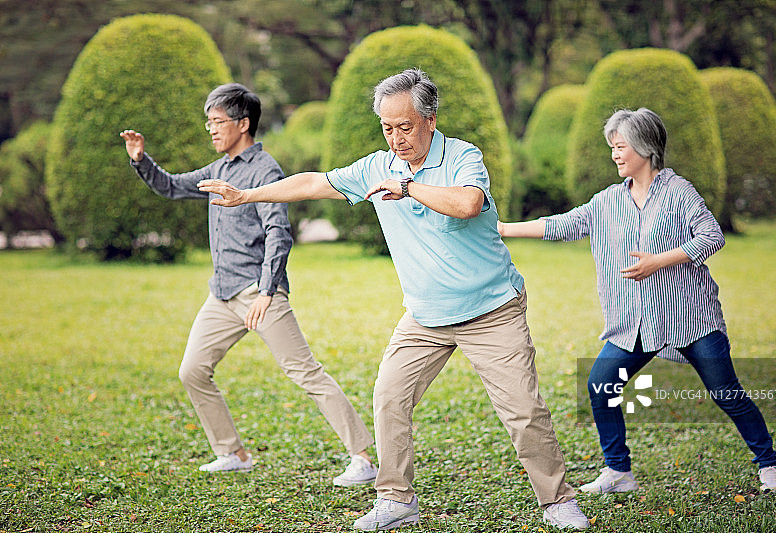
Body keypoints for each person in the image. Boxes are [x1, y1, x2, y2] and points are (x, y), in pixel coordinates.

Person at [198, 69, 590, 531]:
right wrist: (246, 195)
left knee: (523, 412)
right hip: (424, 316)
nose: (396, 138)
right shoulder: (376, 165)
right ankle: (396, 499)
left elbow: (467, 204)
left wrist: (407, 187)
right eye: (387, 127)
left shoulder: (463, 156)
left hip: (490, 310)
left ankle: (557, 501)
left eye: (404, 126)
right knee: (388, 398)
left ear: (430, 120)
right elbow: (311, 183)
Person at [498, 108, 776, 495]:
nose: (614, 154)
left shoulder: (678, 193)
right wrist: (503, 228)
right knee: (601, 385)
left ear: (645, 148)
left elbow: (712, 236)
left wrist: (658, 261)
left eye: (620, 146)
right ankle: (619, 472)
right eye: (612, 147)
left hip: (692, 317)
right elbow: (563, 224)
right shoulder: (607, 202)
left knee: (726, 393)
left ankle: (768, 465)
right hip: (633, 321)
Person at [119, 83, 377, 486]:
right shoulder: (217, 170)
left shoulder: (265, 171)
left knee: (306, 372)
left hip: (258, 292)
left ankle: (362, 459)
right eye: (209, 122)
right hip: (222, 295)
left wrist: (268, 290)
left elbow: (278, 232)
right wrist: (141, 159)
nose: (211, 129)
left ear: (243, 124)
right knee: (192, 371)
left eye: (218, 121)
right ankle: (232, 452)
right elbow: (171, 186)